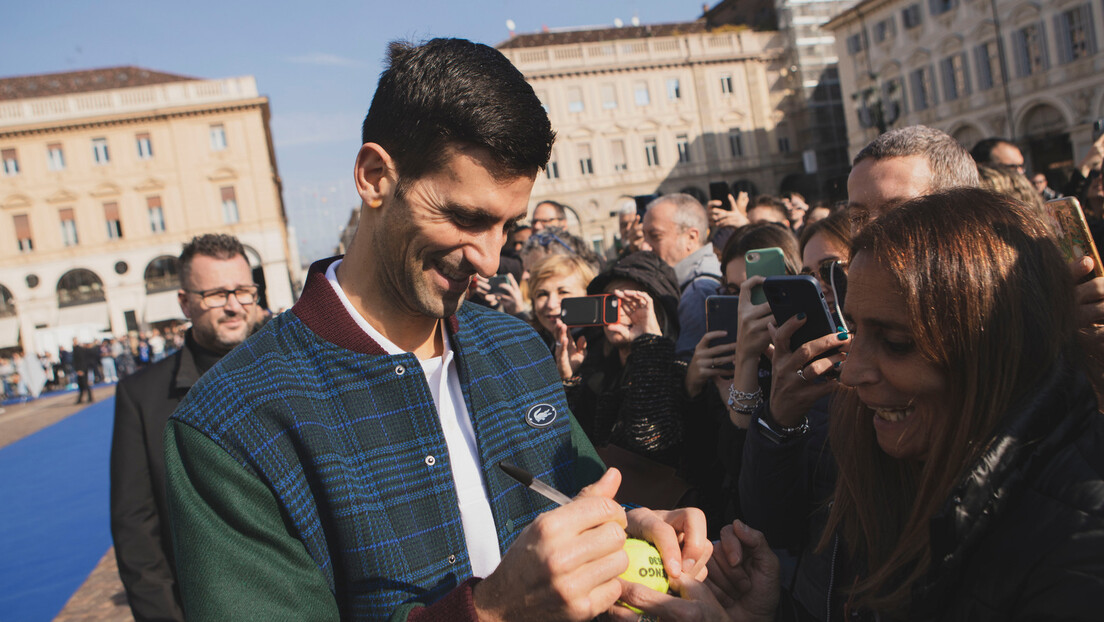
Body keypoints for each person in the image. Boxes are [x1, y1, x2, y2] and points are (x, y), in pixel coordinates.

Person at [164, 38, 707, 621]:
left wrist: (635, 525)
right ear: (375, 177)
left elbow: (583, 495)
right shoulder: (232, 424)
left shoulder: (518, 348)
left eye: (507, 225)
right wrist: (492, 612)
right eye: (468, 218)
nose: (492, 259)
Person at [618, 188, 1104, 621]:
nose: (852, 372)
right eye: (855, 327)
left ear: (998, 342)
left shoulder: (1079, 541)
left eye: (895, 342)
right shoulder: (885, 451)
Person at [110, 233, 262, 622]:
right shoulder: (141, 397)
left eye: (243, 291)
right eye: (215, 294)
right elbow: (136, 533)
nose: (233, 306)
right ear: (185, 303)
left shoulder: (294, 370)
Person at [642, 193, 722, 361]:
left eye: (655, 236)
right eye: (644, 236)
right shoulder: (691, 282)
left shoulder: (698, 292)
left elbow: (686, 370)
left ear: (691, 238)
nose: (645, 246)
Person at [526, 254, 596, 352]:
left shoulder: (604, 345)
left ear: (587, 295)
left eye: (563, 292)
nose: (551, 304)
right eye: (542, 294)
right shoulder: (527, 347)